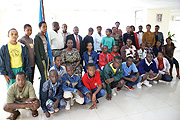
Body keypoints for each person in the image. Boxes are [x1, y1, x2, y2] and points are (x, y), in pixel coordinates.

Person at [34, 21, 49, 99]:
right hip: (41, 60)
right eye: (43, 27)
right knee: (43, 77)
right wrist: (40, 63)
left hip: (46, 58)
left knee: (46, 76)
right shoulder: (37, 37)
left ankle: (46, 93)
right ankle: (42, 95)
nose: (45, 28)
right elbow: (36, 51)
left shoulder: (45, 36)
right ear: (40, 27)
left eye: (46, 26)